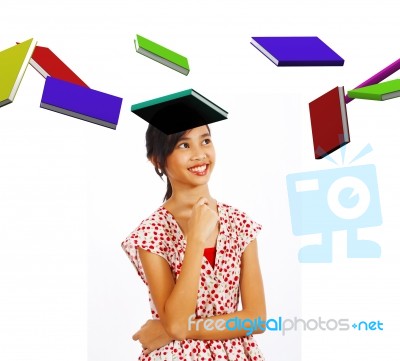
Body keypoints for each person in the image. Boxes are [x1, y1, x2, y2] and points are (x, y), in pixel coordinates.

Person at [121, 123, 266, 360]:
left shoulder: (240, 224)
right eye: (184, 145)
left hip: (238, 354)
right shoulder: (151, 233)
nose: (199, 154)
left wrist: (178, 330)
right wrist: (196, 239)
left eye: (205, 141)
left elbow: (256, 319)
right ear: (157, 159)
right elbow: (177, 324)